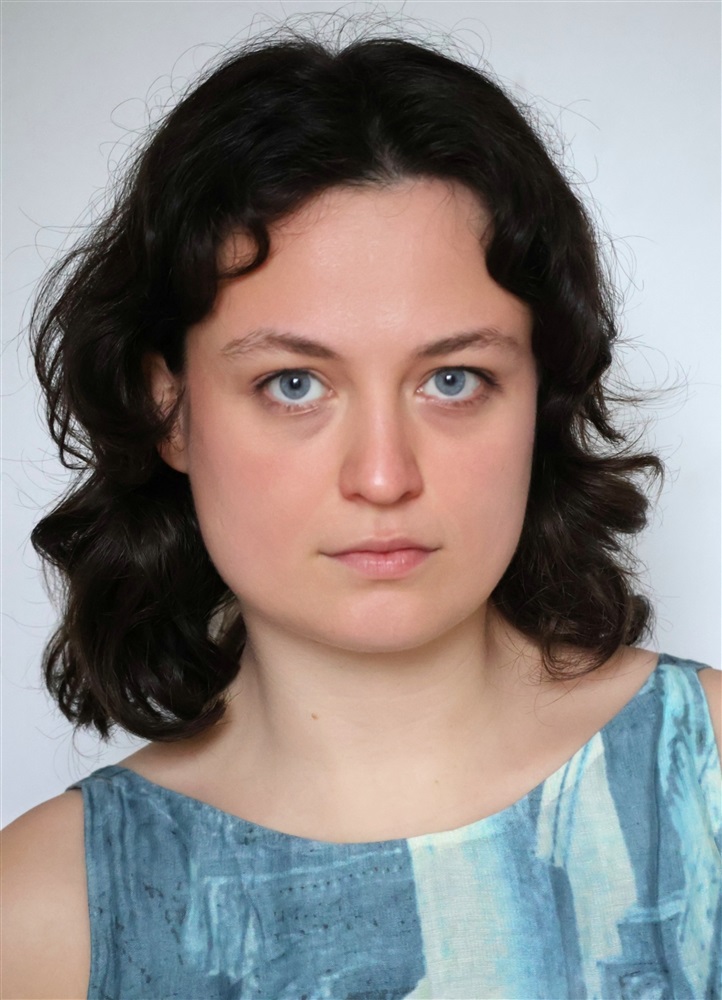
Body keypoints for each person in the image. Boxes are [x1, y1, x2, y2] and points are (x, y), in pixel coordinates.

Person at [2, 25, 720, 1000]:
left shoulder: (708, 779)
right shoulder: (40, 917)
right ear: (168, 408)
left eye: (453, 378)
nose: (383, 477)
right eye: (293, 383)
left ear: (538, 397)